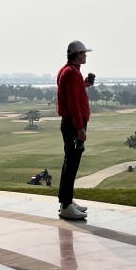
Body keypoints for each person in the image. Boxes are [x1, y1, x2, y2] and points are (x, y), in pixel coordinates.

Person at [56, 40, 93, 220]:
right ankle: (66, 205)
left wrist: (85, 84)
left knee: (69, 162)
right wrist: (80, 127)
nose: (86, 56)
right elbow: (73, 103)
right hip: (73, 123)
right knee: (72, 163)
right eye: (84, 53)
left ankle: (67, 201)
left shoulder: (68, 71)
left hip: (70, 122)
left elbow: (73, 92)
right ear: (77, 54)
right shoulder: (72, 73)